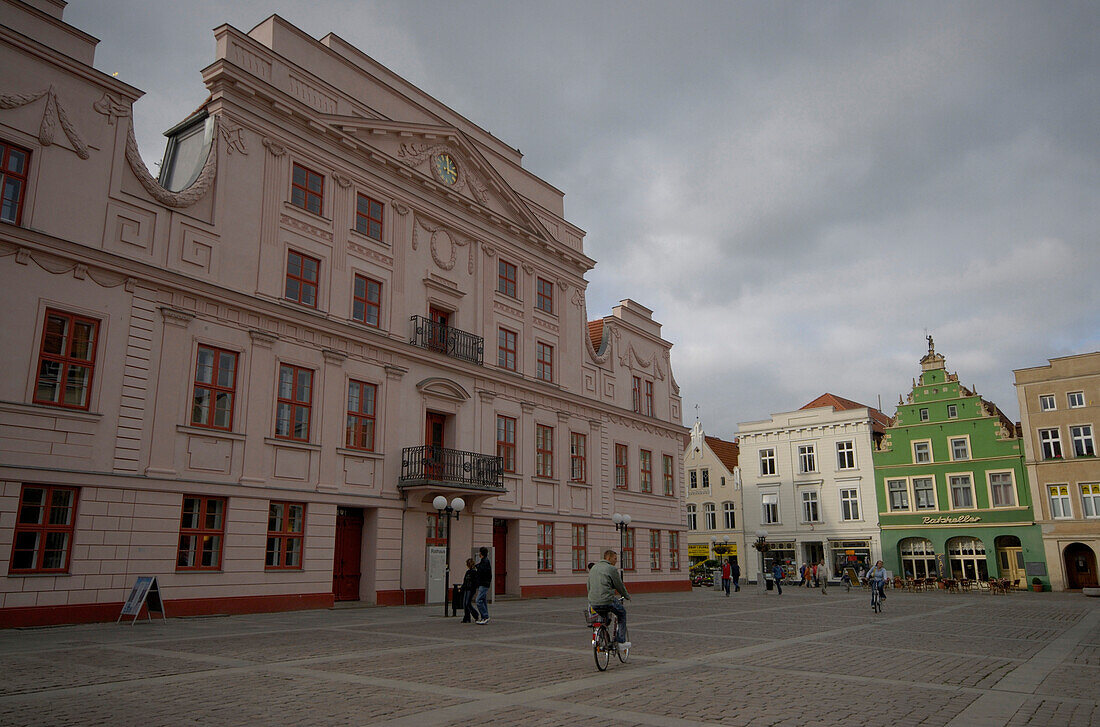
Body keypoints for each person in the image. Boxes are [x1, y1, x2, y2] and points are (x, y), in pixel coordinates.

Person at [587, 549, 630, 647]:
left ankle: (603, 634)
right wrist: (626, 595)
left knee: (604, 618)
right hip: (607, 600)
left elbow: (588, 585)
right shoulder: (611, 569)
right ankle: (621, 641)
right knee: (622, 613)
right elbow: (619, 585)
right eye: (615, 559)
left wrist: (592, 597)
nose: (616, 561)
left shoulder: (594, 568)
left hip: (593, 602)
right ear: (608, 558)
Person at [475, 546, 492, 624]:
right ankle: (484, 617)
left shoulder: (485, 561)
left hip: (484, 584)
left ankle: (485, 616)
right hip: (484, 583)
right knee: (483, 601)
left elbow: (482, 571)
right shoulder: (484, 561)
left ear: (481, 553)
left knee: (478, 600)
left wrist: (477, 567)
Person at [460, 558, 479, 623]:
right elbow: (465, 581)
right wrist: (463, 587)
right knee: (465, 603)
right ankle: (467, 617)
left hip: (470, 589)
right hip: (467, 589)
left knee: (467, 603)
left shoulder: (474, 572)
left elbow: (475, 582)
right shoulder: (468, 572)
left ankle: (474, 615)